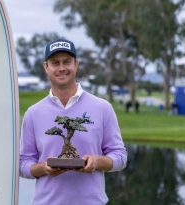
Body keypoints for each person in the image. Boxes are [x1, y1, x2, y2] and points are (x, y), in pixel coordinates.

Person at [20, 38, 127, 205]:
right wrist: (43, 168)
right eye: (55, 63)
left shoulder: (102, 108)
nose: (62, 68)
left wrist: (97, 161)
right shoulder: (33, 113)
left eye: (67, 62)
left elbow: (120, 157)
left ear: (76, 64)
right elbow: (23, 163)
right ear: (46, 67)